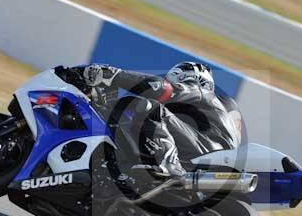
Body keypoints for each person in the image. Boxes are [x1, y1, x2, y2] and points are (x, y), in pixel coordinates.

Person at [55, 62, 241, 177]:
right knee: (131, 116)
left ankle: (168, 166)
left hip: (208, 150)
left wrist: (113, 75)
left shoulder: (202, 92)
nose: (173, 84)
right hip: (200, 153)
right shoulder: (192, 114)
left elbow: (163, 89)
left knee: (146, 107)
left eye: (177, 80)